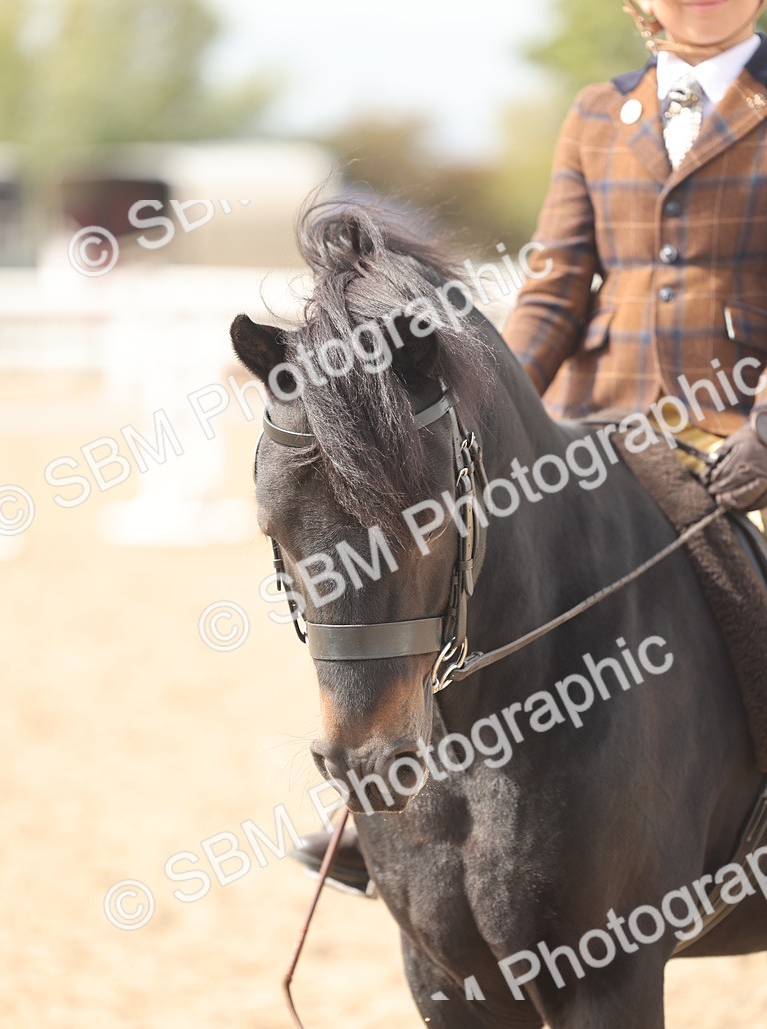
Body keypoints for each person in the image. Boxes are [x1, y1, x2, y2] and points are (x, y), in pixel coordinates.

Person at [291, 0, 767, 891]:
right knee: (457, 574)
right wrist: (497, 407)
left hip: (736, 426)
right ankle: (390, 809)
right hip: (598, 421)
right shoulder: (598, 113)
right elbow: (555, 285)